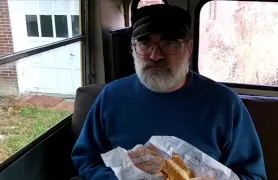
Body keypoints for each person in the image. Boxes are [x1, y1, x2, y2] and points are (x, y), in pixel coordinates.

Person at [71, 4, 267, 180]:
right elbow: (86, 159)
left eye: (169, 44)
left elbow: (253, 175)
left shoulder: (225, 103)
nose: (155, 55)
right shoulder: (111, 96)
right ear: (133, 49)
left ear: (189, 49)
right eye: (145, 43)